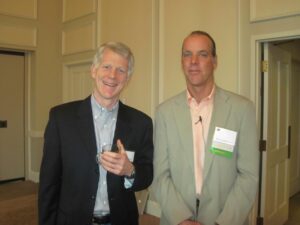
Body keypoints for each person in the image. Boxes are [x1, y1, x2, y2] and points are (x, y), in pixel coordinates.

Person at [38, 42, 154, 225]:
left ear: (128, 78)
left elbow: (147, 175)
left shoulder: (141, 123)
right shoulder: (61, 118)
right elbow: (48, 182)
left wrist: (130, 170)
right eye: (107, 67)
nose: (112, 76)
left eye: (121, 70)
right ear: (93, 70)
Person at [152, 31, 259, 225]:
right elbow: (160, 175)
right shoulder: (164, 112)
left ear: (214, 61)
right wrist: (181, 219)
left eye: (202, 54)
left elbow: (248, 176)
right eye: (187, 54)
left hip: (225, 218)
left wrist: (223, 222)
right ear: (181, 61)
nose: (193, 61)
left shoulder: (242, 109)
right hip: (177, 219)